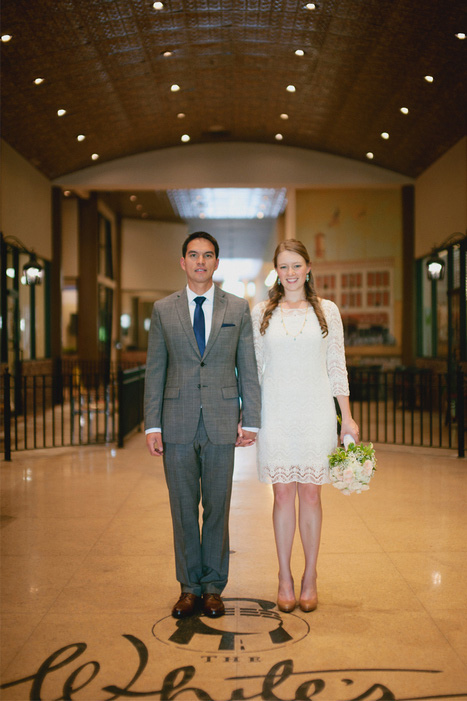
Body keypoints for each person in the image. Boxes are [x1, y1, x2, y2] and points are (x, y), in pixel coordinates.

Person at [144, 232, 261, 620]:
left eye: (207, 255)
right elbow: (155, 369)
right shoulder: (163, 309)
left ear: (216, 263)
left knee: (217, 507)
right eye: (193, 255)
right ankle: (187, 588)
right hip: (175, 421)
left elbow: (248, 367)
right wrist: (151, 425)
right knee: (182, 509)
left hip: (221, 420)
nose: (200, 261)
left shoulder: (237, 308)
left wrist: (253, 420)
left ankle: (213, 588)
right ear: (183, 262)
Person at [251, 239, 358, 613]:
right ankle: (284, 577)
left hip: (315, 413)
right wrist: (247, 416)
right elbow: (254, 369)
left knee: (311, 495)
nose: (291, 273)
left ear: (308, 268)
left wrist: (347, 417)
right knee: (282, 497)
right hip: (276, 413)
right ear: (276, 271)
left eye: (297, 265)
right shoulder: (262, 311)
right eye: (284, 266)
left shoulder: (327, 311)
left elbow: (336, 366)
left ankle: (310, 576)